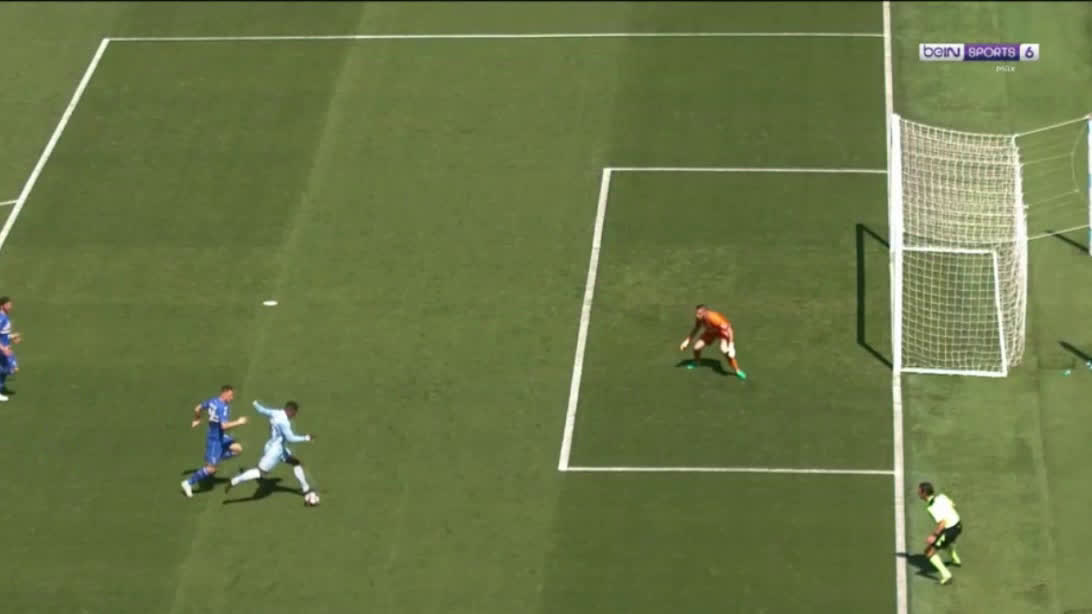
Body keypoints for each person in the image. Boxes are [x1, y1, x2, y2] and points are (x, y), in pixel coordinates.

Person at [225, 400, 315, 498]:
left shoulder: (276, 412)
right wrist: (306, 438)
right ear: (291, 410)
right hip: (275, 452)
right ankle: (234, 481)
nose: (294, 416)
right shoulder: (284, 422)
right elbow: (291, 438)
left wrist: (255, 404)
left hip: (276, 446)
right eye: (294, 413)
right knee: (260, 472)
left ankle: (305, 488)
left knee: (296, 462)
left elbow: (263, 410)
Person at [181, 385, 248, 498]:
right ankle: (188, 483)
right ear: (224, 393)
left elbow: (198, 408)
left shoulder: (213, 401)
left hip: (220, 436)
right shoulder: (222, 407)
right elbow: (224, 426)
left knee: (238, 449)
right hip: (215, 440)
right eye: (231, 395)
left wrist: (197, 419)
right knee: (211, 469)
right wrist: (239, 422)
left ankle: (216, 457)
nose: (232, 398)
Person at [679, 304, 746, 379]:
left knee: (725, 351)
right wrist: (687, 341)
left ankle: (737, 370)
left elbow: (729, 330)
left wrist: (731, 344)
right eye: (696, 313)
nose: (697, 315)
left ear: (705, 313)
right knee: (696, 348)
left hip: (721, 333)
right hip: (710, 332)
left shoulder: (715, 318)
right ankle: (697, 362)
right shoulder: (699, 318)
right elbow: (696, 328)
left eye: (699, 313)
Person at [918, 481, 963, 585]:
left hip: (950, 529)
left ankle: (947, 575)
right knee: (944, 542)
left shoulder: (931, 508)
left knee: (928, 552)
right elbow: (953, 505)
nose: (918, 493)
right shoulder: (942, 496)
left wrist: (933, 536)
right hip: (959, 525)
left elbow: (942, 523)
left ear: (924, 493)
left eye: (919, 491)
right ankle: (955, 559)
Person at [0, 296, 22, 401]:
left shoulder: (5, 317)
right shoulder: (1, 319)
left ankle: (1, 388)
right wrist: (3, 349)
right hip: (2, 350)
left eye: (11, 304)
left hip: (5, 349)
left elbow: (3, 335)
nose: (10, 306)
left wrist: (12, 337)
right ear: (2, 305)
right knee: (8, 368)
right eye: (8, 304)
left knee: (7, 369)